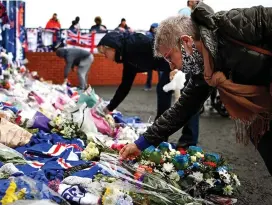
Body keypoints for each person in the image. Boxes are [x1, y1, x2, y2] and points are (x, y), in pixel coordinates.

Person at [120, 2, 272, 175]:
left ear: (186, 42)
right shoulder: (204, 69)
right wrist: (140, 144)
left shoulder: (233, 23)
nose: (171, 67)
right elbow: (183, 108)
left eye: (170, 58)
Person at [97, 32, 171, 119]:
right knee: (163, 88)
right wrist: (109, 108)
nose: (105, 57)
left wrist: (174, 63)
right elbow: (124, 87)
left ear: (112, 48)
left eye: (105, 53)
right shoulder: (128, 61)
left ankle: (161, 125)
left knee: (164, 89)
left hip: (174, 60)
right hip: (166, 66)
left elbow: (158, 44)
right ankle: (161, 124)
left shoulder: (134, 42)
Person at [144, 23, 159, 91]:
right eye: (153, 28)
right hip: (150, 57)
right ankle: (148, 86)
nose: (154, 29)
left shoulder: (159, 35)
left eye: (155, 28)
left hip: (158, 57)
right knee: (149, 73)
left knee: (161, 72)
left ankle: (162, 86)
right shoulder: (148, 34)